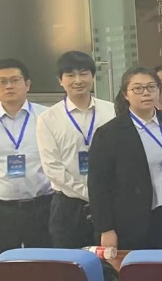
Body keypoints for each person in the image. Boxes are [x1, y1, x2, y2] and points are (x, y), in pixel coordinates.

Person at [88, 67, 162, 251]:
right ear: (126, 94)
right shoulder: (109, 133)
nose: (146, 93)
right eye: (138, 88)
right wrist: (105, 228)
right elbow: (98, 186)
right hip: (134, 220)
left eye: (151, 87)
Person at [0, 58, 53, 267]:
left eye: (15, 80)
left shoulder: (47, 117)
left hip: (42, 206)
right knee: (0, 271)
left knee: (47, 270)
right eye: (3, 81)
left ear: (27, 84)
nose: (9, 86)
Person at [35, 51, 114, 249]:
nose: (78, 80)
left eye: (84, 73)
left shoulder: (112, 111)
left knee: (110, 260)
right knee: (70, 263)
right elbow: (52, 167)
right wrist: (89, 193)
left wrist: (102, 195)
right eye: (70, 75)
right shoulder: (48, 119)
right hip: (68, 205)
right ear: (60, 80)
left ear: (93, 76)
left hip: (110, 203)